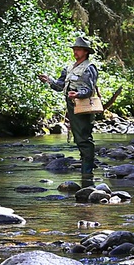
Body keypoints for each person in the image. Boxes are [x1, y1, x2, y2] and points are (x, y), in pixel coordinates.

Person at [38, 37, 99, 175]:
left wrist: (78, 94)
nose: (75, 52)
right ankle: (86, 169)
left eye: (78, 49)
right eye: (74, 49)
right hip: (72, 106)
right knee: (79, 138)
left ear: (86, 52)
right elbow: (60, 86)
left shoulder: (90, 68)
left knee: (84, 138)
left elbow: (89, 89)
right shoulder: (69, 68)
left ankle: (87, 172)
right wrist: (49, 80)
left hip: (84, 107)